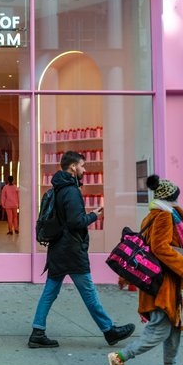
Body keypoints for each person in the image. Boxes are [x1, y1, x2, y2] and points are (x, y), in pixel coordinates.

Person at [28, 150, 135, 349]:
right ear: (73, 167)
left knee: (50, 291)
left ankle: (37, 331)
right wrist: (94, 215)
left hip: (59, 249)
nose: (84, 170)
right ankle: (109, 330)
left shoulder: (59, 188)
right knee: (88, 291)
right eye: (82, 166)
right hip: (71, 250)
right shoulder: (71, 190)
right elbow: (76, 221)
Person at [107, 174, 183, 365]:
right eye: (176, 196)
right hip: (162, 283)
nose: (178, 200)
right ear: (170, 197)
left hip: (168, 281)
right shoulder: (165, 216)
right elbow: (160, 248)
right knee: (159, 330)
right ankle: (119, 358)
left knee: (174, 327)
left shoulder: (155, 215)